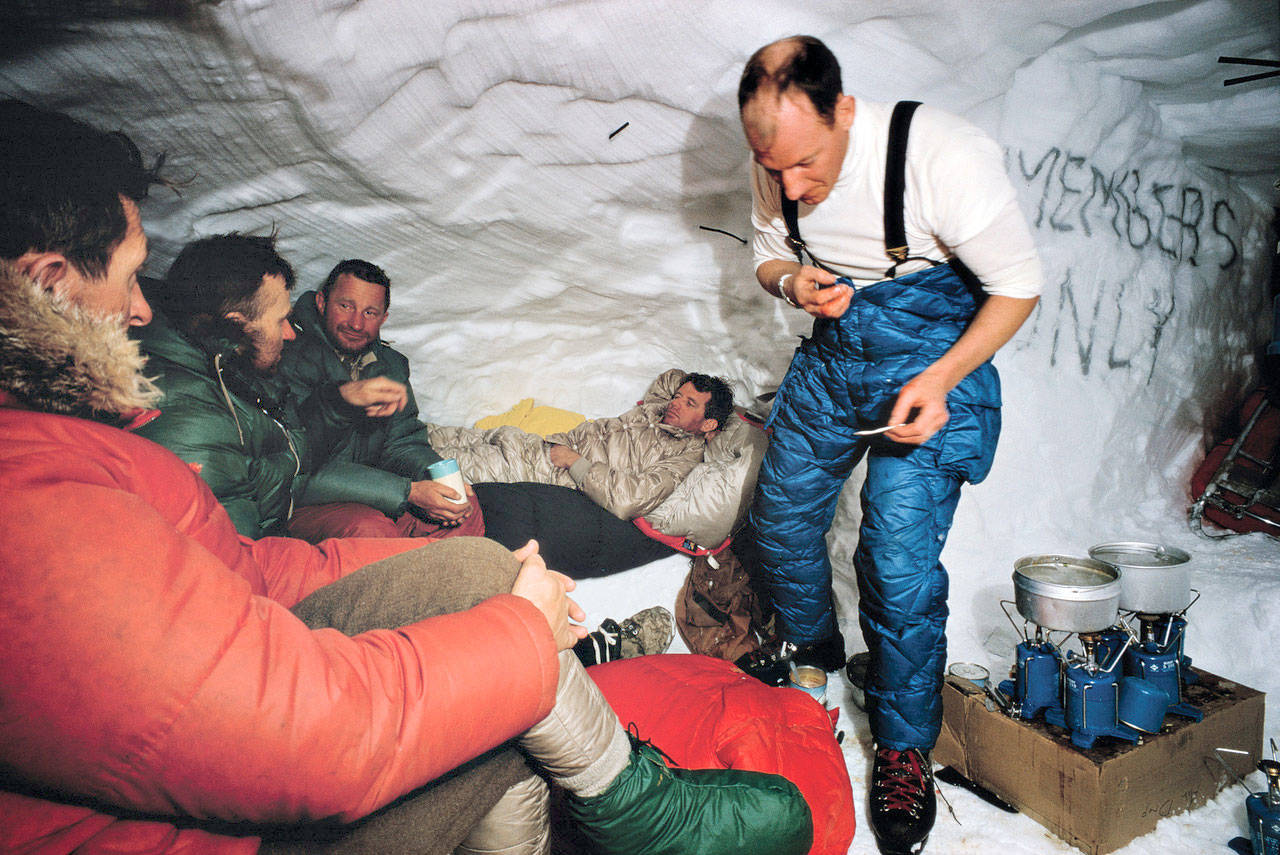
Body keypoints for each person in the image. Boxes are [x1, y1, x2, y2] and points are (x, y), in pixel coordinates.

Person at [0, 98, 814, 855]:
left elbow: (244, 558)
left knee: (480, 562)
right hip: (230, 819)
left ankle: (620, 785)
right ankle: (621, 792)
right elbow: (312, 736)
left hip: (267, 648)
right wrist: (511, 627)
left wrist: (455, 548)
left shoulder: (73, 441)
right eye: (132, 275)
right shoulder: (44, 518)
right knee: (499, 718)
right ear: (47, 283)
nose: (142, 310)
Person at [736, 36, 1042, 855]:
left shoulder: (940, 154)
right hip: (837, 362)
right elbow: (767, 253)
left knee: (894, 559)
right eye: (773, 166)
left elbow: (1018, 286)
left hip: (938, 354)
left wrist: (941, 378)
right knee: (780, 520)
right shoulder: (777, 158)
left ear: (843, 111)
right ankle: (816, 659)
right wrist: (791, 282)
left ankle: (904, 744)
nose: (789, 184)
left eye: (804, 163)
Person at [131, 234, 415, 539]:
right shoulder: (192, 417)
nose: (290, 334)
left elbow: (290, 456)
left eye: (370, 312)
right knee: (375, 540)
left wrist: (337, 404)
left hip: (271, 538)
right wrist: (405, 492)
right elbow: (233, 558)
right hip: (259, 556)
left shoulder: (244, 374)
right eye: (280, 320)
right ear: (237, 324)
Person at [277, 258, 483, 542]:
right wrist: (404, 491)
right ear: (322, 303)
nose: (356, 323)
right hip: (303, 502)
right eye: (346, 306)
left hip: (377, 497)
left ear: (384, 318)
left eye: (370, 312)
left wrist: (436, 478)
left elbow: (402, 443)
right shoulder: (285, 355)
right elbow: (297, 465)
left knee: (463, 512)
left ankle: (443, 582)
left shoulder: (389, 367)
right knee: (370, 530)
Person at [428, 368, 734, 520]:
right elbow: (671, 378)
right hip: (541, 444)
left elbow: (630, 499)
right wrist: (698, 391)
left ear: (709, 424)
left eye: (689, 402)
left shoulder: (681, 457)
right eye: (678, 396)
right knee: (442, 436)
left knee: (442, 463)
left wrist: (576, 463)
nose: (676, 402)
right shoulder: (660, 409)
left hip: (553, 472)